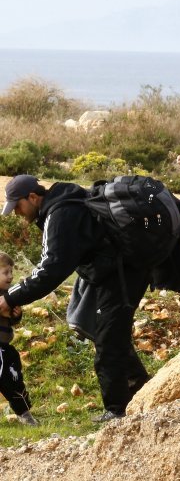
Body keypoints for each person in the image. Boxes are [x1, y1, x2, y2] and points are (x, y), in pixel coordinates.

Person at [0, 175, 154, 422]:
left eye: (17, 206)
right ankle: (142, 393)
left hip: (122, 273)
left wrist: (11, 297)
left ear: (32, 197)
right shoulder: (62, 206)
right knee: (110, 334)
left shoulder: (59, 215)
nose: (17, 213)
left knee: (108, 339)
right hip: (118, 271)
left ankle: (117, 411)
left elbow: (50, 269)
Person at [0, 252, 37, 426]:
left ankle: (24, 412)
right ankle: (23, 413)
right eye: (5, 272)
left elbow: (12, 321)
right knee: (6, 378)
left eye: (11, 272)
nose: (10, 276)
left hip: (5, 347)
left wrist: (16, 315)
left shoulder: (9, 295)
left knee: (14, 377)